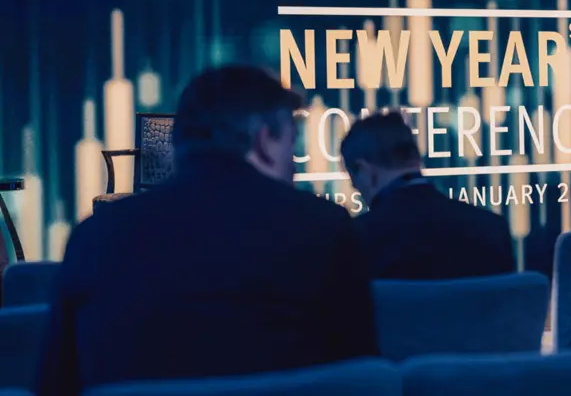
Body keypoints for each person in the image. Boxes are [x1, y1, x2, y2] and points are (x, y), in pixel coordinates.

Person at [35, 66, 378, 396]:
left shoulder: (93, 237)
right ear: (263, 141)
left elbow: (55, 384)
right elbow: (361, 378)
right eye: (291, 145)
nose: (293, 163)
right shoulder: (326, 230)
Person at [340, 111, 515, 280]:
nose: (354, 187)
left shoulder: (355, 241)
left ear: (365, 171)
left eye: (352, 179)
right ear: (416, 160)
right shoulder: (492, 229)